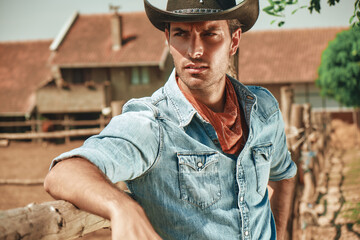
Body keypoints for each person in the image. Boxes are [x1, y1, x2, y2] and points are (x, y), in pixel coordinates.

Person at [44, 0, 297, 239]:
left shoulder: (263, 108)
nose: (195, 50)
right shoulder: (152, 124)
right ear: (168, 40)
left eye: (210, 34)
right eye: (181, 34)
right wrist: (120, 207)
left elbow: (282, 173)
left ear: (233, 41)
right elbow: (64, 172)